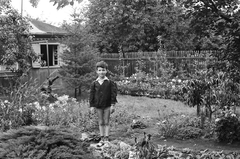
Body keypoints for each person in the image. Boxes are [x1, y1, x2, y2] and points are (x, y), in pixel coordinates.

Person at [89, 61, 117, 143]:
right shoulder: (94, 83)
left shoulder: (110, 83)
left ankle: (106, 138)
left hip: (107, 105)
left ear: (106, 71)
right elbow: (91, 95)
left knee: (106, 122)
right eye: (100, 70)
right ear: (97, 71)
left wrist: (112, 105)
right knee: (101, 122)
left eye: (103, 70)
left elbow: (113, 94)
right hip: (98, 106)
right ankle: (102, 138)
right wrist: (92, 106)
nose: (101, 72)